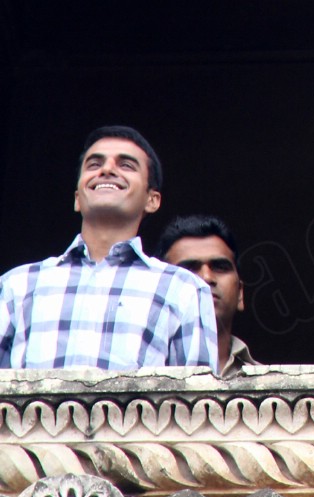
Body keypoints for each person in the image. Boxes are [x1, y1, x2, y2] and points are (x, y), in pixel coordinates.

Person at [0, 127, 218, 371]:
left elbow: (197, 404)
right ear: (77, 199)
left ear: (152, 200)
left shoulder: (183, 289)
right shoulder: (16, 286)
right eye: (94, 164)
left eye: (126, 165)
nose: (107, 169)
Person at [159, 215, 254, 376]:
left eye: (220, 267)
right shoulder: (136, 371)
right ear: (159, 291)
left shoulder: (272, 388)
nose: (206, 278)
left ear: (240, 293)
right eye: (189, 269)